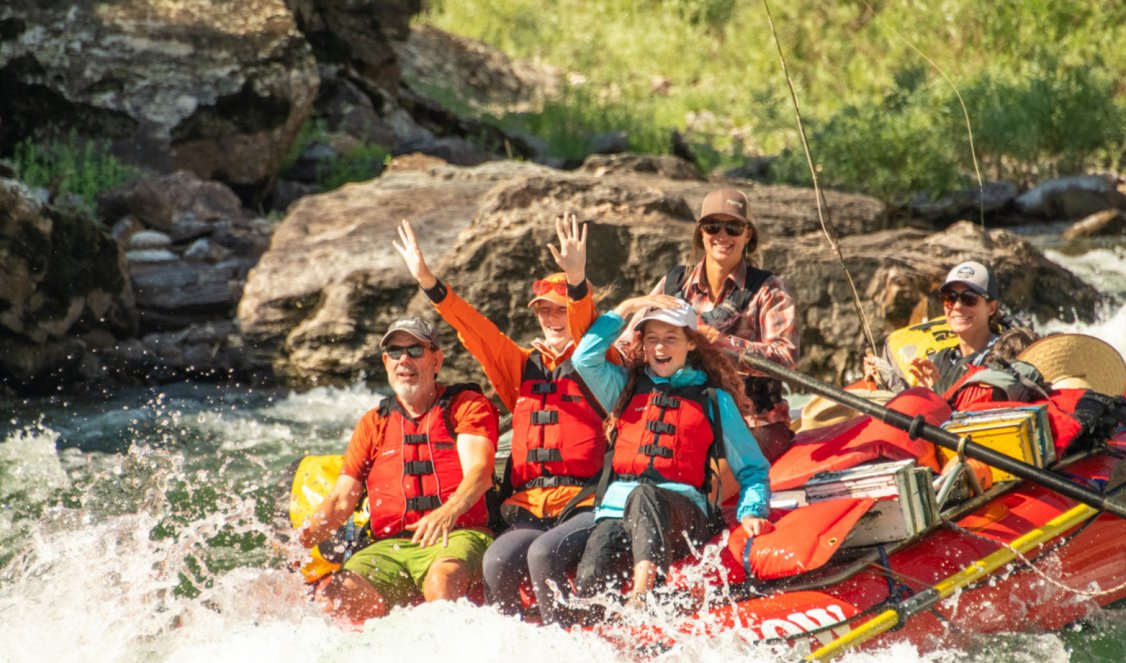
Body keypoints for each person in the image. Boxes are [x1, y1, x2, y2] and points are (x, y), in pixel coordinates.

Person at [392, 214, 608, 625]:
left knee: (543, 554)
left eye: (558, 310)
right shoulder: (521, 367)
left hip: (582, 500)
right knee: (497, 560)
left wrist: (577, 281)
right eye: (543, 311)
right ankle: (509, 651)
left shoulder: (599, 363)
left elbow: (586, 326)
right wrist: (428, 282)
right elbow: (476, 330)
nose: (550, 317)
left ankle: (569, 647)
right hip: (528, 506)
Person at [572, 295, 774, 610]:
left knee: (644, 496)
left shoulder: (712, 400)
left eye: (670, 339)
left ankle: (642, 598)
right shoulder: (624, 389)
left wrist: (752, 510)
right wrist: (626, 308)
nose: (660, 348)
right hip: (616, 512)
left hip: (684, 516)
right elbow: (584, 359)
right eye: (652, 339)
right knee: (590, 576)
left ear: (690, 344)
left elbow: (753, 468)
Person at [298, 317, 499, 623]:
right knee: (335, 595)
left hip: (456, 536)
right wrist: (299, 543)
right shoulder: (373, 423)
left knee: (441, 582)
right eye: (395, 351)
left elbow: (480, 473)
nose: (404, 359)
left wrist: (449, 511)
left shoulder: (466, 406)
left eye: (415, 350)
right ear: (385, 361)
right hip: (389, 548)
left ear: (436, 359)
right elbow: (341, 500)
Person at [646, 189, 799, 462]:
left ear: (748, 234)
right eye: (713, 226)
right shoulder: (672, 285)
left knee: (704, 476)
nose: (723, 236)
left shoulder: (770, 289)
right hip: (686, 419)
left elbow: (786, 358)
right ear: (701, 233)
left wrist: (723, 343)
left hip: (757, 426)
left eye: (734, 227)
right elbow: (629, 346)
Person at [865, 260, 1011, 398]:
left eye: (969, 298)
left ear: (991, 308)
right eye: (950, 298)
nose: (958, 306)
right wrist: (883, 379)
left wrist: (938, 393)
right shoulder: (941, 360)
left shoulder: (1007, 354)